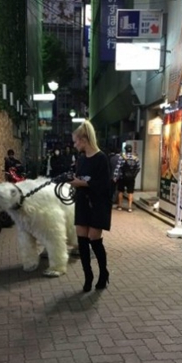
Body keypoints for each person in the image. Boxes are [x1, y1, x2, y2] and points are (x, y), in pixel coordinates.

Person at [69, 120, 112, 293]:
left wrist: (82, 183)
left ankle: (103, 273)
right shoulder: (81, 159)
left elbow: (104, 185)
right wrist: (74, 182)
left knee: (94, 239)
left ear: (84, 139)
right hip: (82, 202)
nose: (74, 144)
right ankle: (88, 276)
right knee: (82, 241)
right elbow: (80, 178)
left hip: (98, 204)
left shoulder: (101, 158)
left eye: (76, 141)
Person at [114, 144, 140, 212]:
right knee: (130, 192)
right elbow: (138, 168)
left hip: (122, 177)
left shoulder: (122, 157)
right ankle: (130, 207)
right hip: (131, 178)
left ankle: (120, 206)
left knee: (121, 191)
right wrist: (134, 175)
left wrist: (115, 176)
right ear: (131, 150)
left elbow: (118, 168)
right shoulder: (135, 158)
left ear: (125, 150)